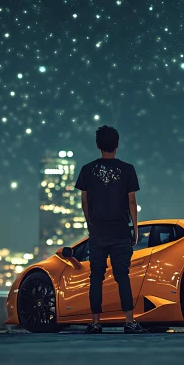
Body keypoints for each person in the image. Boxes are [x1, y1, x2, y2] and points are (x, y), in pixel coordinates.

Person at [74, 125, 148, 334]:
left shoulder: (87, 170)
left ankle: (95, 322)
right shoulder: (127, 169)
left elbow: (84, 201)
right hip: (120, 232)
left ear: (98, 145)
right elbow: (132, 201)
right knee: (122, 276)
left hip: (98, 232)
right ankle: (129, 321)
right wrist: (135, 229)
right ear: (117, 145)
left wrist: (90, 223)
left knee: (96, 277)